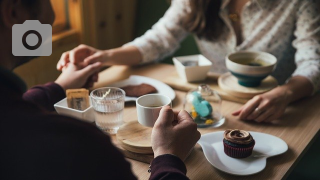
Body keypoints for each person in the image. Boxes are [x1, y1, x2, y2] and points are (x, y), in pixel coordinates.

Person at [0, 0, 200, 180]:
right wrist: (168, 157)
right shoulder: (79, 145)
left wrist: (60, 87)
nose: (52, 18)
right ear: (14, 13)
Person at [57, 0, 320, 123]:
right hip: (208, 98)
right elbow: (159, 39)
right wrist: (102, 56)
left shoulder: (299, 3)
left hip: (274, 106)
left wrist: (285, 93)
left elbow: (313, 61)